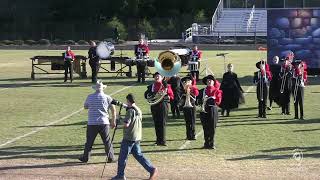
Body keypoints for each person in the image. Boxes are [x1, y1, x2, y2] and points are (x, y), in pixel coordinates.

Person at [112, 94, 158, 180]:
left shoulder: (130, 111)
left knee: (122, 157)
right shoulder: (138, 109)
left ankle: (120, 175)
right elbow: (128, 107)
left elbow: (126, 124)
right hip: (137, 137)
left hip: (129, 137)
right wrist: (118, 103)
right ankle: (152, 169)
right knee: (139, 155)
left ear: (128, 101)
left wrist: (119, 119)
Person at [79, 80, 116, 163]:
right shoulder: (107, 97)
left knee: (89, 142)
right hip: (104, 122)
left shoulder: (90, 96)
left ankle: (85, 157)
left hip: (92, 123)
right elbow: (113, 109)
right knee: (107, 141)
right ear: (103, 88)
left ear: (95, 88)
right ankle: (111, 157)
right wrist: (113, 121)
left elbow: (85, 107)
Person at [144, 72, 174, 146]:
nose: (157, 77)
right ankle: (158, 140)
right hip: (154, 105)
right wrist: (150, 95)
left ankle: (163, 141)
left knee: (162, 123)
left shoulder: (166, 86)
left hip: (163, 105)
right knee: (156, 123)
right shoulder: (151, 86)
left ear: (162, 77)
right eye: (155, 76)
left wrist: (165, 96)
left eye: (158, 76)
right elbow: (146, 95)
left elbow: (172, 96)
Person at [196, 75, 222, 149]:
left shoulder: (217, 91)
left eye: (211, 80)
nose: (209, 82)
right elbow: (197, 101)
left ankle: (212, 143)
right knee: (205, 127)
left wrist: (211, 100)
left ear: (213, 82)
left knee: (212, 127)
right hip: (204, 110)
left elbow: (218, 102)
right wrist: (200, 101)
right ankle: (206, 143)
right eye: (208, 81)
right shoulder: (202, 91)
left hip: (213, 110)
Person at [179, 75, 199, 140]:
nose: (187, 82)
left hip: (192, 106)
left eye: (189, 81)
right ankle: (188, 135)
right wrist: (184, 91)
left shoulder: (194, 88)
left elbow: (196, 94)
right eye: (186, 81)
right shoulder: (182, 89)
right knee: (187, 121)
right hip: (185, 107)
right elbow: (181, 98)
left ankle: (193, 135)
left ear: (191, 82)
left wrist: (189, 91)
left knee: (192, 121)